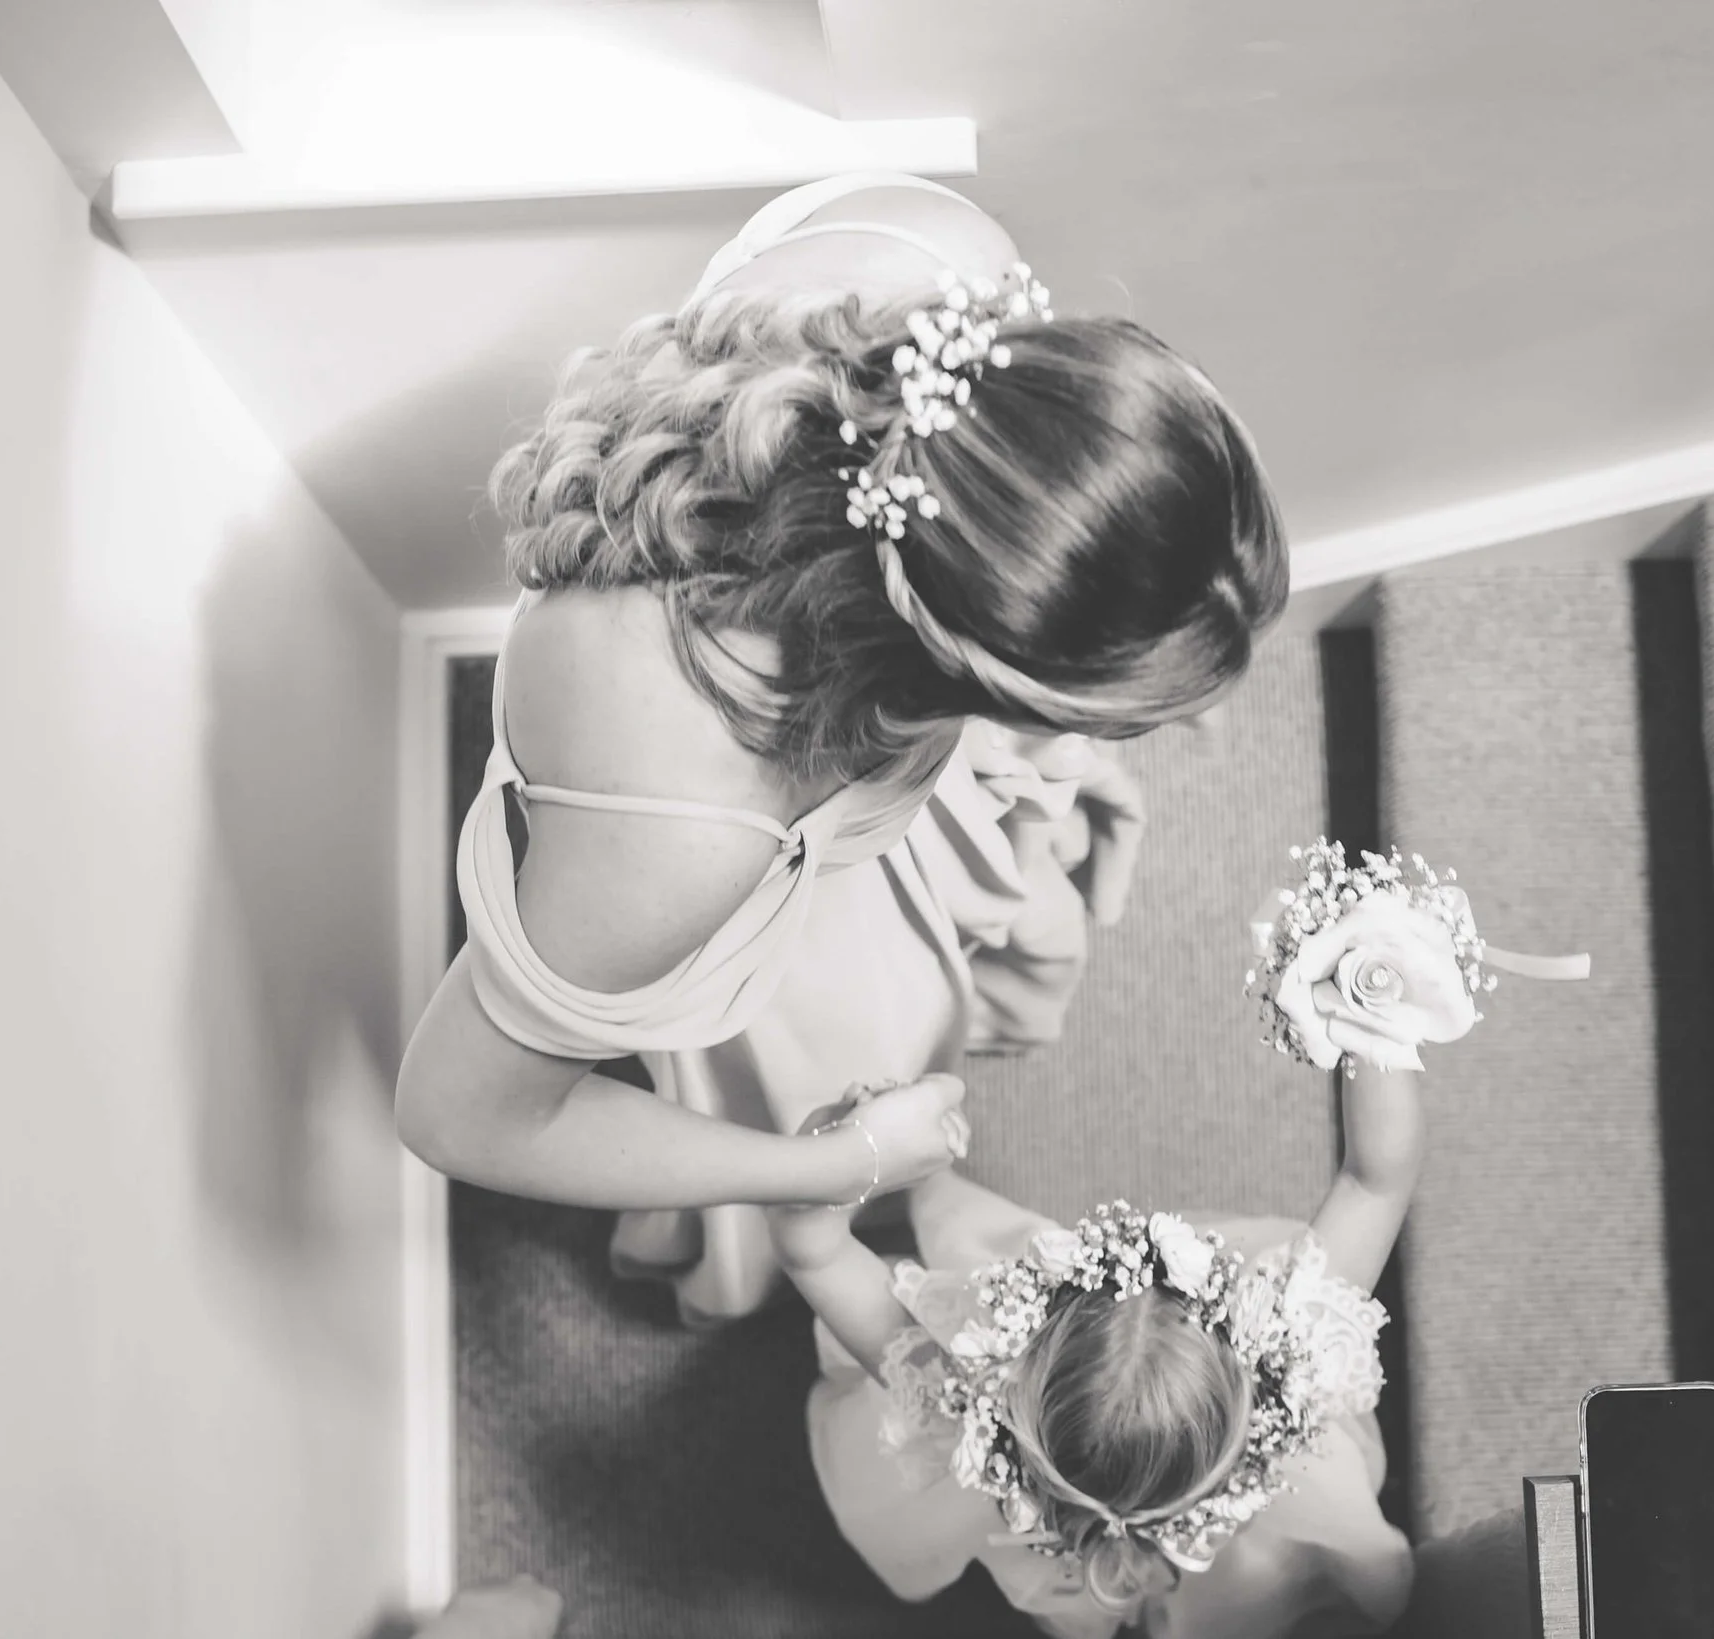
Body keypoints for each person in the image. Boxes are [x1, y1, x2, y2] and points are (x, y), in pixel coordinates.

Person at [392, 173, 1288, 1319]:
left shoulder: (938, 252)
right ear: (962, 671)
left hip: (812, 708)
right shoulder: (687, 831)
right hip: (715, 842)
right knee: (859, 1041)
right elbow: (459, 1114)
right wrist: (832, 1163)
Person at [768, 1066, 1426, 1638]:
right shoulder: (1294, 1353)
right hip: (1244, 1549)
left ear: (1021, 1340)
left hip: (1067, 1547)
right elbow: (1376, 1178)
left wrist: (850, 1143)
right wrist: (1374, 1009)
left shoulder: (959, 1395)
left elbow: (812, 1247)